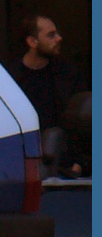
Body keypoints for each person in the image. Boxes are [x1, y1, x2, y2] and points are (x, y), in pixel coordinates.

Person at [8, 14, 89, 177]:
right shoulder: (9, 79)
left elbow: (85, 124)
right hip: (22, 168)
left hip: (64, 168)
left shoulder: (69, 76)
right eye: (51, 35)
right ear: (32, 42)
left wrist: (80, 164)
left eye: (57, 33)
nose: (59, 38)